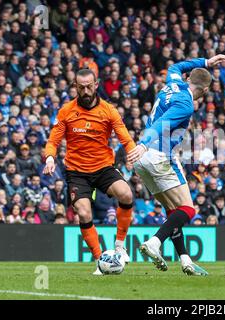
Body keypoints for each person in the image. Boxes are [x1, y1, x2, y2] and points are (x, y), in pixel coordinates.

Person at [127, 54, 225, 276]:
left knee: (173, 211)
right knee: (188, 209)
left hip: (143, 161)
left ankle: (186, 261)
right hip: (157, 154)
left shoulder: (173, 82)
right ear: (203, 91)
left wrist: (205, 62)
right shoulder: (186, 104)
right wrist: (144, 143)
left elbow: (175, 65)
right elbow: (163, 123)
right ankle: (155, 242)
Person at [43, 68, 137, 275]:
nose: (85, 91)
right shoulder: (66, 111)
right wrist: (50, 157)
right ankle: (100, 260)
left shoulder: (108, 110)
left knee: (126, 193)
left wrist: (133, 152)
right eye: (81, 87)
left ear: (96, 85)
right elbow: (53, 139)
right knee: (83, 212)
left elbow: (124, 136)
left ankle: (120, 245)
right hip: (77, 171)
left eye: (89, 86)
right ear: (76, 87)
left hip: (103, 167)